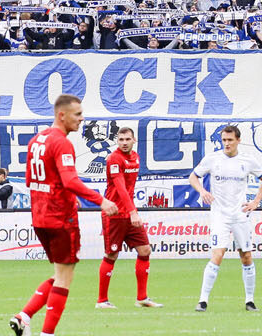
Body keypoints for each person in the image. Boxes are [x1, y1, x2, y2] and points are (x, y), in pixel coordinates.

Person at [10, 94, 119, 336]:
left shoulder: (37, 140)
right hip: (60, 218)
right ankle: (47, 333)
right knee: (64, 278)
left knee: (60, 273)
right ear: (62, 115)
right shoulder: (61, 142)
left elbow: (30, 180)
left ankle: (24, 316)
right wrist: (100, 200)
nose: (82, 119)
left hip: (40, 217)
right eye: (78, 114)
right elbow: (70, 180)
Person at [190, 124, 262, 313]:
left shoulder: (247, 160)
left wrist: (256, 202)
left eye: (230, 140)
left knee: (246, 257)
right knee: (217, 255)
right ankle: (203, 300)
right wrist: (202, 190)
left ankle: (250, 301)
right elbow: (193, 177)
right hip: (220, 216)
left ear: (238, 141)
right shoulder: (213, 159)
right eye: (224, 140)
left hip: (240, 216)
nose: (226, 143)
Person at [97, 125, 162, 309]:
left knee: (145, 250)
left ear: (134, 141)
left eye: (127, 139)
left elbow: (129, 188)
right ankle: (102, 301)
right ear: (117, 141)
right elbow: (120, 187)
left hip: (129, 213)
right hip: (114, 214)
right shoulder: (114, 159)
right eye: (121, 140)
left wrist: (132, 211)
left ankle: (142, 298)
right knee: (111, 254)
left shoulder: (135, 157)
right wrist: (133, 211)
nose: (124, 143)